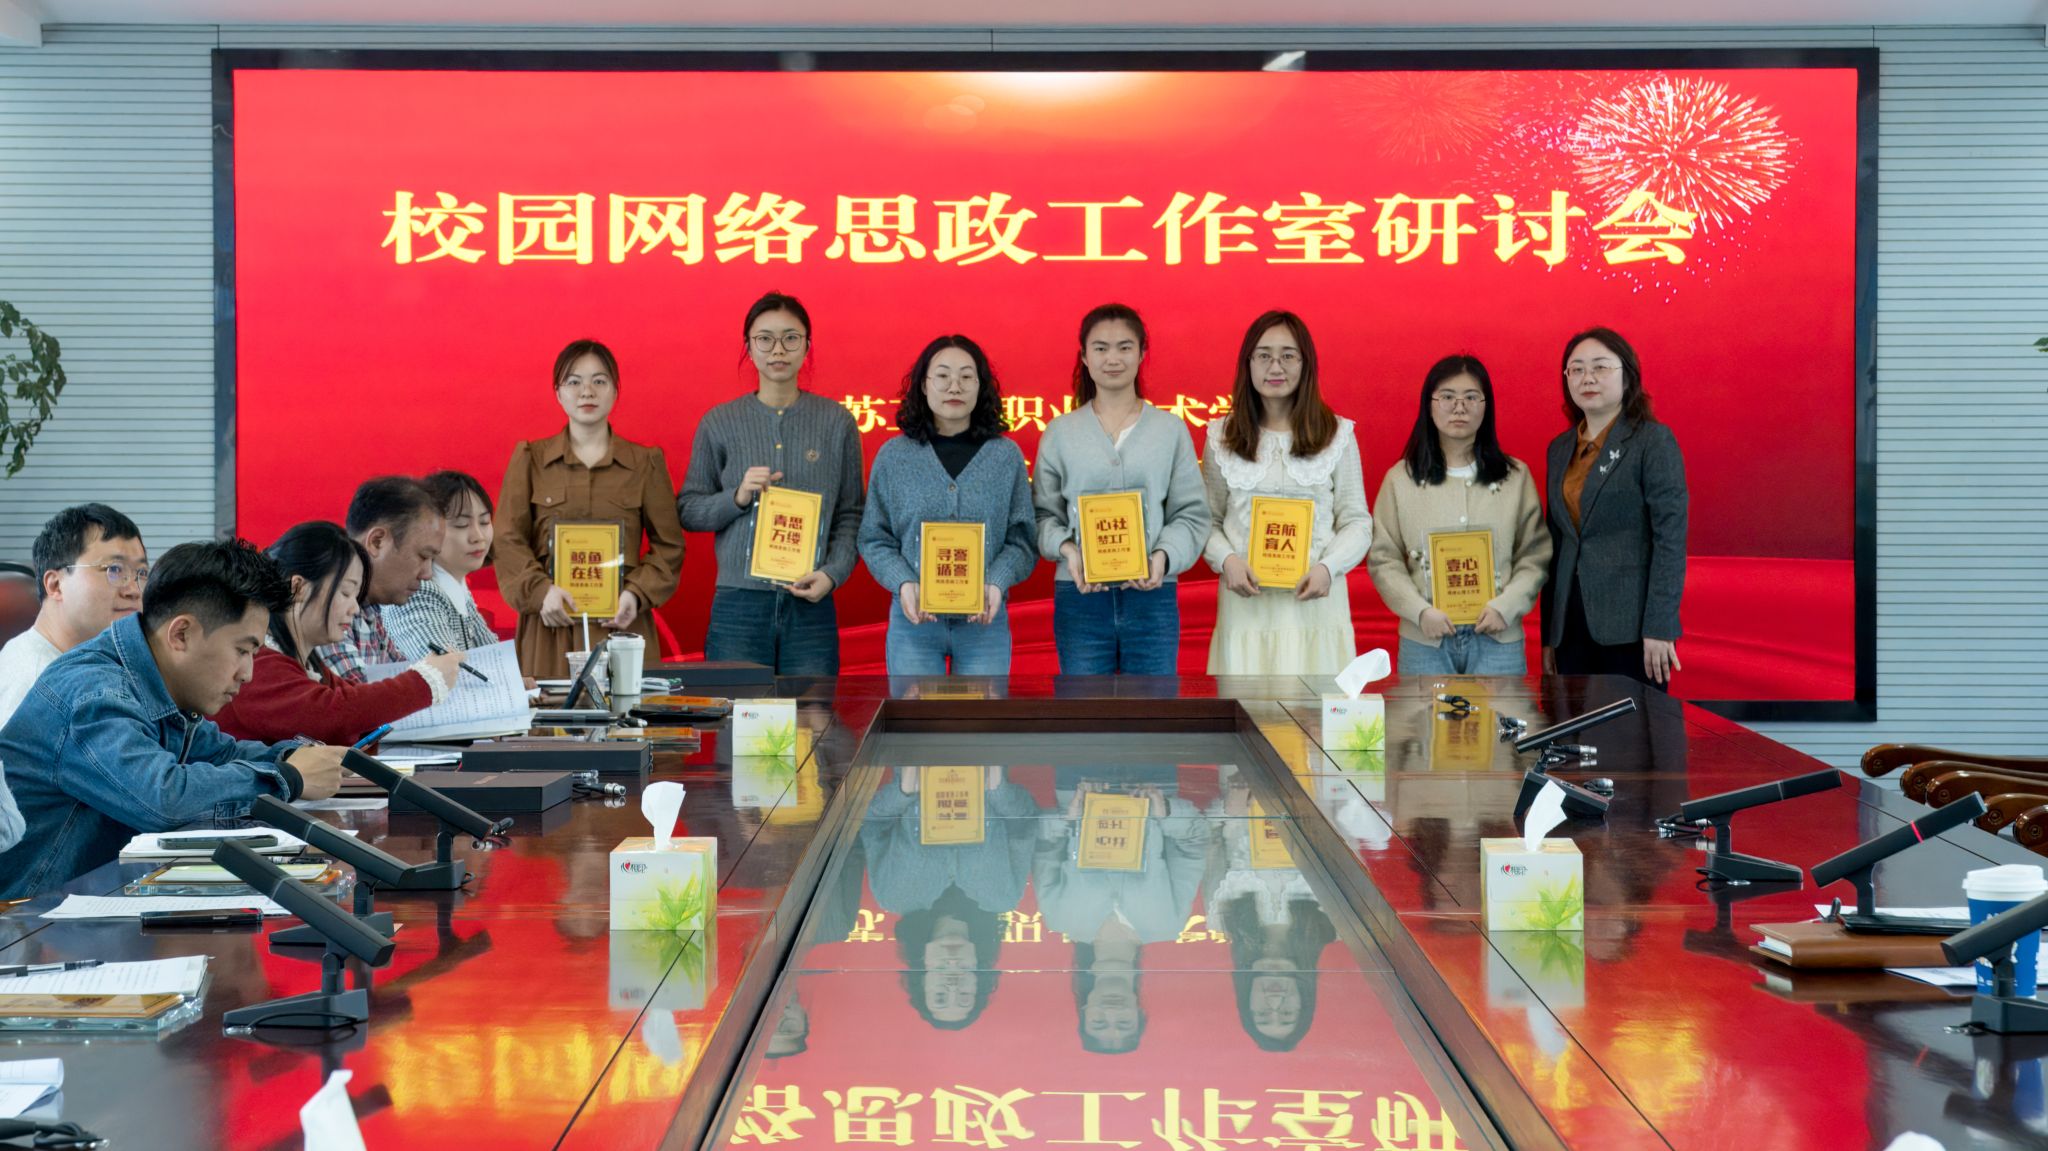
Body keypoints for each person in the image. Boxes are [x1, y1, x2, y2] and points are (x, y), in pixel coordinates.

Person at [0, 539, 345, 899]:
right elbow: (162, 798)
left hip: (96, 902)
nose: (247, 674)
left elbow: (222, 754)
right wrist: (287, 777)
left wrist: (294, 758)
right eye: (242, 650)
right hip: (28, 918)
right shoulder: (95, 692)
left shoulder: (153, 680)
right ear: (181, 634)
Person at [678, 292, 863, 676]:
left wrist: (832, 574)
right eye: (765, 339)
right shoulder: (719, 422)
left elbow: (851, 514)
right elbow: (689, 509)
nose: (778, 349)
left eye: (790, 338)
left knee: (812, 713)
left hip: (810, 601)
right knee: (737, 711)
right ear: (748, 347)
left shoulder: (837, 421)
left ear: (807, 346)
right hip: (739, 603)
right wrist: (737, 497)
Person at [1032, 303, 1209, 675]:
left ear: (1142, 353)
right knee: (1085, 705)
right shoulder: (1060, 432)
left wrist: (1162, 557)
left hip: (1153, 596)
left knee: (1153, 706)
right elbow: (1042, 515)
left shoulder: (1169, 430)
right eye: (1100, 348)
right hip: (1079, 596)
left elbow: (1191, 514)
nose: (1112, 358)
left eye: (1124, 347)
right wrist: (1067, 550)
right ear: (1084, 356)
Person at [495, 339, 686, 680]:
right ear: (558, 393)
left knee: (626, 712)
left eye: (599, 381)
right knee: (551, 712)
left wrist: (636, 594)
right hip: (550, 623)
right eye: (574, 381)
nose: (587, 391)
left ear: (615, 391)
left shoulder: (645, 463)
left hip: (622, 624)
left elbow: (669, 546)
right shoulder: (531, 459)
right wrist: (540, 592)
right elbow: (507, 538)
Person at [1201, 311, 1372, 676]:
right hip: (1246, 608)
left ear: (1305, 364)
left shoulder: (1337, 434)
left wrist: (1328, 568)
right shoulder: (1221, 436)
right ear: (1248, 363)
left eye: (1288, 356)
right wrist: (1227, 561)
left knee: (1315, 710)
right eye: (1263, 355)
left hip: (1315, 606)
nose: (1275, 367)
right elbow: (1207, 520)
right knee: (1246, 710)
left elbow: (1357, 521)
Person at [858, 335, 1036, 676]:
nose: (955, 386)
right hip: (914, 621)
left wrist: (996, 581)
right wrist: (902, 582)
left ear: (981, 386)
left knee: (983, 712)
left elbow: (1022, 540)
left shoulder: (1005, 456)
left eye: (967, 376)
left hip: (984, 621)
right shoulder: (894, 456)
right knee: (914, 712)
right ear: (924, 385)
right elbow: (874, 537)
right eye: (942, 375)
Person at [1368, 355, 1552, 676]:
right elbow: (1384, 559)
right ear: (1429, 405)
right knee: (1423, 714)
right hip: (1425, 640)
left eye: (1471, 397)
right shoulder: (1400, 479)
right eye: (1447, 397)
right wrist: (1419, 611)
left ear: (1486, 406)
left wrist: (1505, 607)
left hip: (1498, 639)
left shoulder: (1515, 476)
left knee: (1502, 713)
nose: (1459, 407)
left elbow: (1534, 555)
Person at [214, 522, 465, 745]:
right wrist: (425, 680)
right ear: (298, 587)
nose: (354, 608)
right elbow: (334, 713)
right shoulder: (256, 660)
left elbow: (352, 712)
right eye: (346, 592)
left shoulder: (307, 664)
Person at [1541, 327, 1689, 687]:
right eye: (1576, 369)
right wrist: (1549, 634)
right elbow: (1555, 545)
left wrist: (1660, 626)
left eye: (1600, 367)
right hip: (1570, 626)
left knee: (1632, 723)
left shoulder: (1652, 441)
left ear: (1627, 376)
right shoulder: (1559, 449)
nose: (1587, 378)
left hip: (1632, 627)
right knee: (1574, 721)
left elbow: (1670, 540)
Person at [0, 503, 148, 729]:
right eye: (114, 569)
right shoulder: (35, 687)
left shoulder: (96, 666)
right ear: (55, 585)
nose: (134, 590)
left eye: (142, 573)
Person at [313, 476, 446, 684]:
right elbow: (355, 696)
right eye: (423, 556)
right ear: (377, 542)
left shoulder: (371, 607)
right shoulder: (326, 601)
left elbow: (400, 675)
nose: (427, 573)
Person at [386, 470, 501, 658]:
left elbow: (494, 657)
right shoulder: (417, 593)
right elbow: (444, 669)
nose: (478, 536)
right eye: (461, 525)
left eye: (484, 522)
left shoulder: (457, 587)